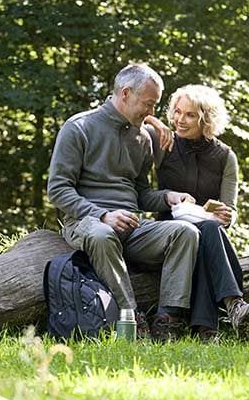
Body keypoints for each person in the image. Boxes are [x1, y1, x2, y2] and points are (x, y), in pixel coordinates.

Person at [47, 63, 200, 341]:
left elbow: (141, 193)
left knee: (185, 232)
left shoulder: (142, 137)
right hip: (88, 222)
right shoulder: (79, 127)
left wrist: (168, 197)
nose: (152, 113)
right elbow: (58, 189)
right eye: (149, 104)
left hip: (132, 227)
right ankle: (131, 317)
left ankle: (167, 320)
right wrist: (104, 215)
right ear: (126, 93)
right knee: (103, 234)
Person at [145, 84, 249, 341]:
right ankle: (227, 310)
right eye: (176, 112)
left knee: (209, 229)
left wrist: (228, 215)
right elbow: (128, 119)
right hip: (169, 231)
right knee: (203, 233)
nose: (179, 120)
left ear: (205, 119)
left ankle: (210, 327)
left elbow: (228, 210)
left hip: (208, 231)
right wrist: (153, 120)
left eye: (189, 115)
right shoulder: (162, 140)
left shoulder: (225, 157)